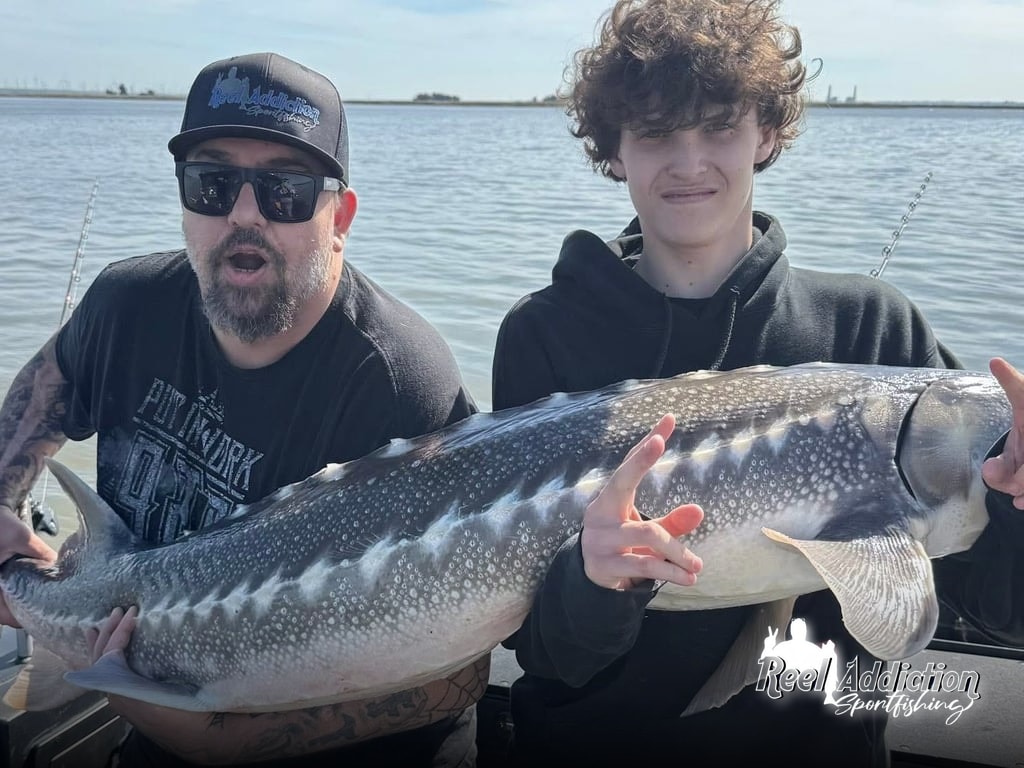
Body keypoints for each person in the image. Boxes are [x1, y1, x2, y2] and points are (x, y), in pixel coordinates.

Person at [491, 1, 1024, 764]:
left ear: (766, 135)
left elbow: (1005, 613)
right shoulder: (544, 334)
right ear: (613, 150)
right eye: (654, 133)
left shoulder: (872, 330)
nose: (688, 162)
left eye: (718, 126)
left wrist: (1016, 506)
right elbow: (543, 651)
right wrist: (591, 581)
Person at [0, 52, 485, 767]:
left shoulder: (399, 380)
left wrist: (214, 742)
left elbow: (458, 673)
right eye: (213, 182)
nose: (244, 215)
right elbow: (33, 411)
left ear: (340, 216)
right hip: (148, 694)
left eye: (285, 190)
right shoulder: (127, 302)